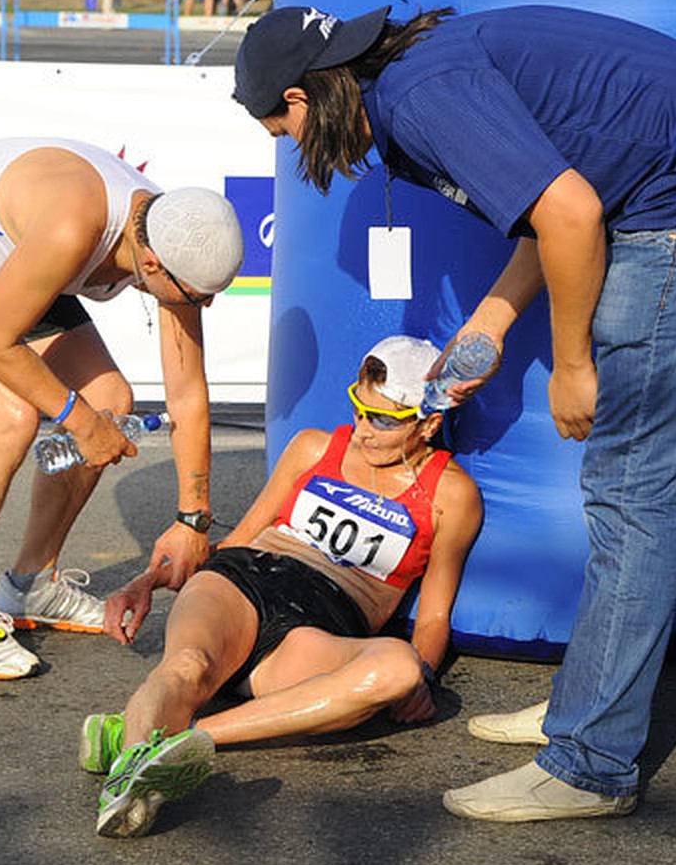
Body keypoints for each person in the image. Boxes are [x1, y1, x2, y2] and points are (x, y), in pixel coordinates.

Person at [232, 5, 676, 821]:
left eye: (280, 132)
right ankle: (591, 703)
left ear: (301, 97)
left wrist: (572, 365)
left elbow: (572, 212)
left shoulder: (420, 96)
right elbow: (564, 188)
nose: (292, 150)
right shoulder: (409, 76)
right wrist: (494, 320)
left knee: (637, 485)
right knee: (626, 484)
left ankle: (591, 764)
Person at [0, 137, 244, 681]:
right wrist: (80, 423)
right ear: (151, 263)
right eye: (197, 297)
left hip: (7, 256)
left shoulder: (176, 232)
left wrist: (191, 518)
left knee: (111, 400)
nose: (203, 307)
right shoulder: (74, 230)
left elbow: (187, 392)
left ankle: (30, 584)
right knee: (10, 416)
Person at [79, 335, 483, 837]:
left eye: (382, 420)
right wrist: (150, 579)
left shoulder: (452, 493)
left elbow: (434, 615)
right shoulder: (315, 447)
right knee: (185, 666)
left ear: (429, 423)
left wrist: (422, 675)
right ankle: (130, 784)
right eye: (358, 409)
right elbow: (239, 539)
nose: (362, 431)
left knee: (397, 669)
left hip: (319, 627)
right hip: (245, 578)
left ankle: (175, 737)